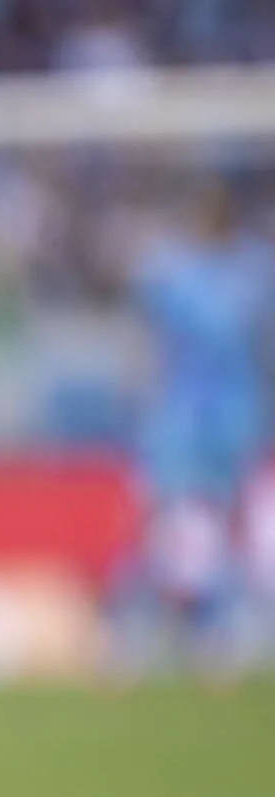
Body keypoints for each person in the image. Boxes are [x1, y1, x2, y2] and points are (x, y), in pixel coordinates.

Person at [119, 183, 275, 678]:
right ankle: (150, 630)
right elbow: (147, 345)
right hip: (193, 415)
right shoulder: (182, 275)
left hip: (219, 414)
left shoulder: (247, 272)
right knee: (176, 523)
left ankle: (210, 630)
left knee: (220, 525)